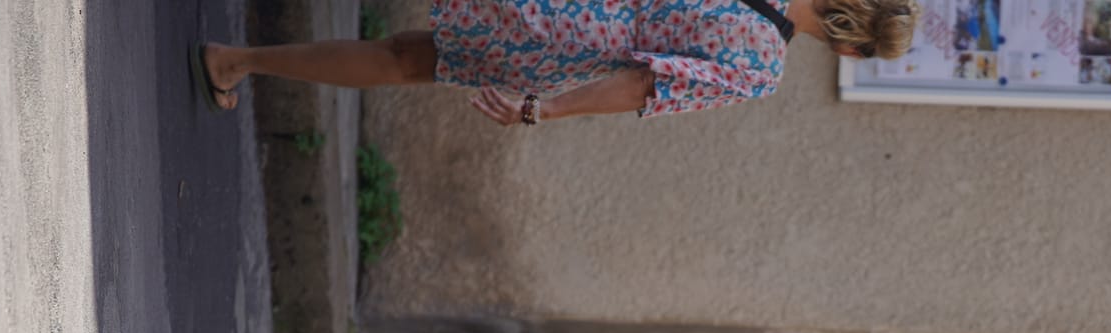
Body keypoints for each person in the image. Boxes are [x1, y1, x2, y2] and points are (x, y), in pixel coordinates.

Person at [192, 0, 915, 126]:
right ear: (851, 47)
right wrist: (545, 108)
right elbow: (642, 85)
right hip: (564, 33)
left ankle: (241, 59)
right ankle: (238, 61)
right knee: (405, 59)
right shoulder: (759, 64)